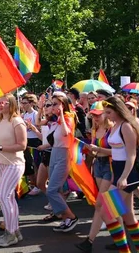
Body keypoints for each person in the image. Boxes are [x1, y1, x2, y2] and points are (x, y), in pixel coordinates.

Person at [93, 96, 139, 253]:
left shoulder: (125, 126)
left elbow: (131, 154)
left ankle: (124, 250)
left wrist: (123, 176)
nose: (107, 115)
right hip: (117, 172)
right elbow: (116, 152)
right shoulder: (115, 125)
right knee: (128, 216)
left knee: (105, 210)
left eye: (109, 112)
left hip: (127, 173)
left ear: (118, 110)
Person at [75, 101, 114, 252]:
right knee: (112, 206)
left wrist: (98, 149)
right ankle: (120, 238)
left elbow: (119, 152)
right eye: (93, 116)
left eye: (98, 115)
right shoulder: (95, 128)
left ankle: (89, 241)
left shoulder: (113, 129)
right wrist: (89, 149)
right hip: (99, 165)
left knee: (101, 204)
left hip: (111, 167)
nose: (95, 118)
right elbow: (95, 152)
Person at [0, 94, 27, 247]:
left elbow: (22, 145)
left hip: (14, 164)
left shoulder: (17, 121)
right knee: (9, 198)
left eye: (3, 102)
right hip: (0, 163)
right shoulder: (0, 121)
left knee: (3, 196)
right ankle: (15, 231)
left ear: (11, 104)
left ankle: (10, 232)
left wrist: (0, 147)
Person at [44, 93, 79, 232]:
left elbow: (66, 133)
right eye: (52, 104)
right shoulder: (56, 119)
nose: (53, 106)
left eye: (56, 104)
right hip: (55, 153)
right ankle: (66, 219)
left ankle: (71, 216)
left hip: (64, 155)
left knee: (51, 190)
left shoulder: (68, 117)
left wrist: (62, 116)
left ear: (63, 105)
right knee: (56, 190)